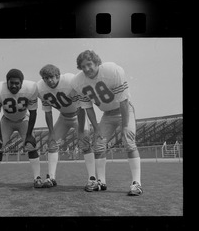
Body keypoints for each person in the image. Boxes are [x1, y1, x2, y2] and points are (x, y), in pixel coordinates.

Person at [72, 50, 143, 196]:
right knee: (98, 143)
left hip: (124, 111)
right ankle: (101, 182)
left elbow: (123, 100)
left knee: (129, 141)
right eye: (83, 66)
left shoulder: (112, 71)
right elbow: (88, 108)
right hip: (107, 115)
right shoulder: (78, 81)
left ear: (97, 62)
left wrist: (124, 126)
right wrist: (96, 128)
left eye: (89, 64)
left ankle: (137, 183)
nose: (86, 69)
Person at [36, 64, 95, 187]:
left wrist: (80, 130)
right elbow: (48, 112)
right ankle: (51, 177)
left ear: (58, 76)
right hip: (63, 117)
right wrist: (51, 132)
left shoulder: (70, 81)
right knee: (52, 143)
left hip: (77, 115)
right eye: (45, 78)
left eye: (51, 77)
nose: (49, 80)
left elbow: (81, 108)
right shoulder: (41, 88)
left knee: (85, 143)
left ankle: (92, 178)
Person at [0, 69, 42, 188]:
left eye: (17, 83)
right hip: (7, 120)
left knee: (31, 145)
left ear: (21, 83)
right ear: (6, 82)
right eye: (11, 83)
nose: (14, 85)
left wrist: (29, 135)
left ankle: (37, 178)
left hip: (24, 120)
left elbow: (33, 112)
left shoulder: (31, 88)